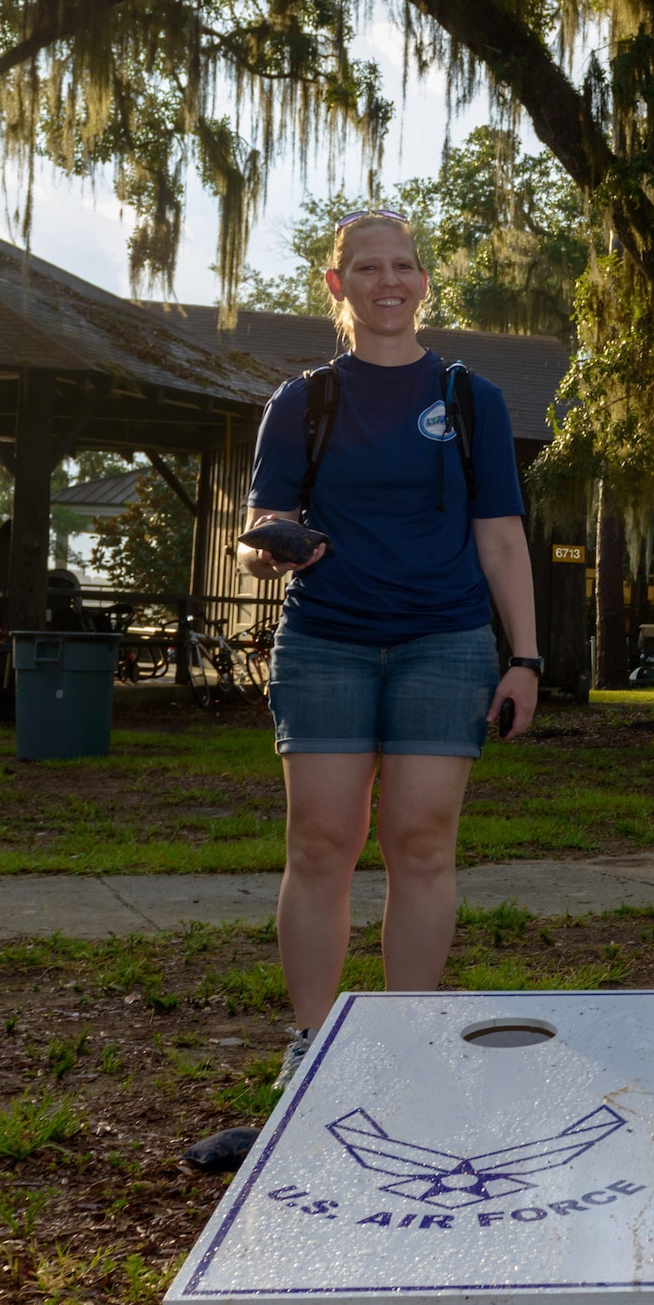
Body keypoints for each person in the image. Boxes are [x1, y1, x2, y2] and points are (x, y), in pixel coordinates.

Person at [241, 208, 542, 1088]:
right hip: (326, 642)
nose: (388, 282)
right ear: (338, 285)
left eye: (403, 266)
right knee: (321, 846)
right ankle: (310, 1045)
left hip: (444, 645)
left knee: (421, 844)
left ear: (423, 282)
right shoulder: (303, 401)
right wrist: (274, 548)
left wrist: (524, 658)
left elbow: (501, 539)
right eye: (367, 268)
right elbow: (259, 531)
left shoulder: (468, 399)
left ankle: (408, 1041)